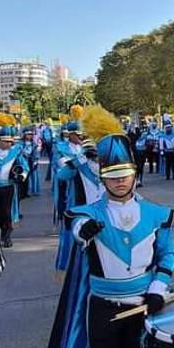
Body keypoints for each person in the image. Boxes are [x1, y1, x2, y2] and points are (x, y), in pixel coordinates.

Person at [40, 108, 174, 348]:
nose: (119, 181)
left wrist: (159, 288)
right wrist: (82, 232)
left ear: (135, 174)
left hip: (143, 307)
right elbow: (77, 226)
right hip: (103, 307)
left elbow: (168, 255)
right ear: (102, 176)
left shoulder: (156, 214)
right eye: (111, 175)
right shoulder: (88, 213)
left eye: (124, 174)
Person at [53, 111, 105, 274]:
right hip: (82, 211)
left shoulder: (108, 164)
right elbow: (61, 175)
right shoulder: (78, 162)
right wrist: (81, 159)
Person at [0, 113, 27, 248]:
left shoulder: (16, 152)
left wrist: (21, 175)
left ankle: (7, 235)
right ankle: (2, 229)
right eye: (6, 141)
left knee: (7, 212)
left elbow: (24, 166)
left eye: (10, 141)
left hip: (9, 187)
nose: (9, 143)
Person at [19, 125, 41, 198]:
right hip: (22, 162)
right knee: (23, 177)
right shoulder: (20, 144)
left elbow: (36, 153)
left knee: (30, 177)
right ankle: (22, 192)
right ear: (24, 135)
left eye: (31, 134)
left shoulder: (33, 144)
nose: (30, 136)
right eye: (28, 134)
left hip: (30, 161)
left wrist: (36, 160)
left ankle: (28, 191)